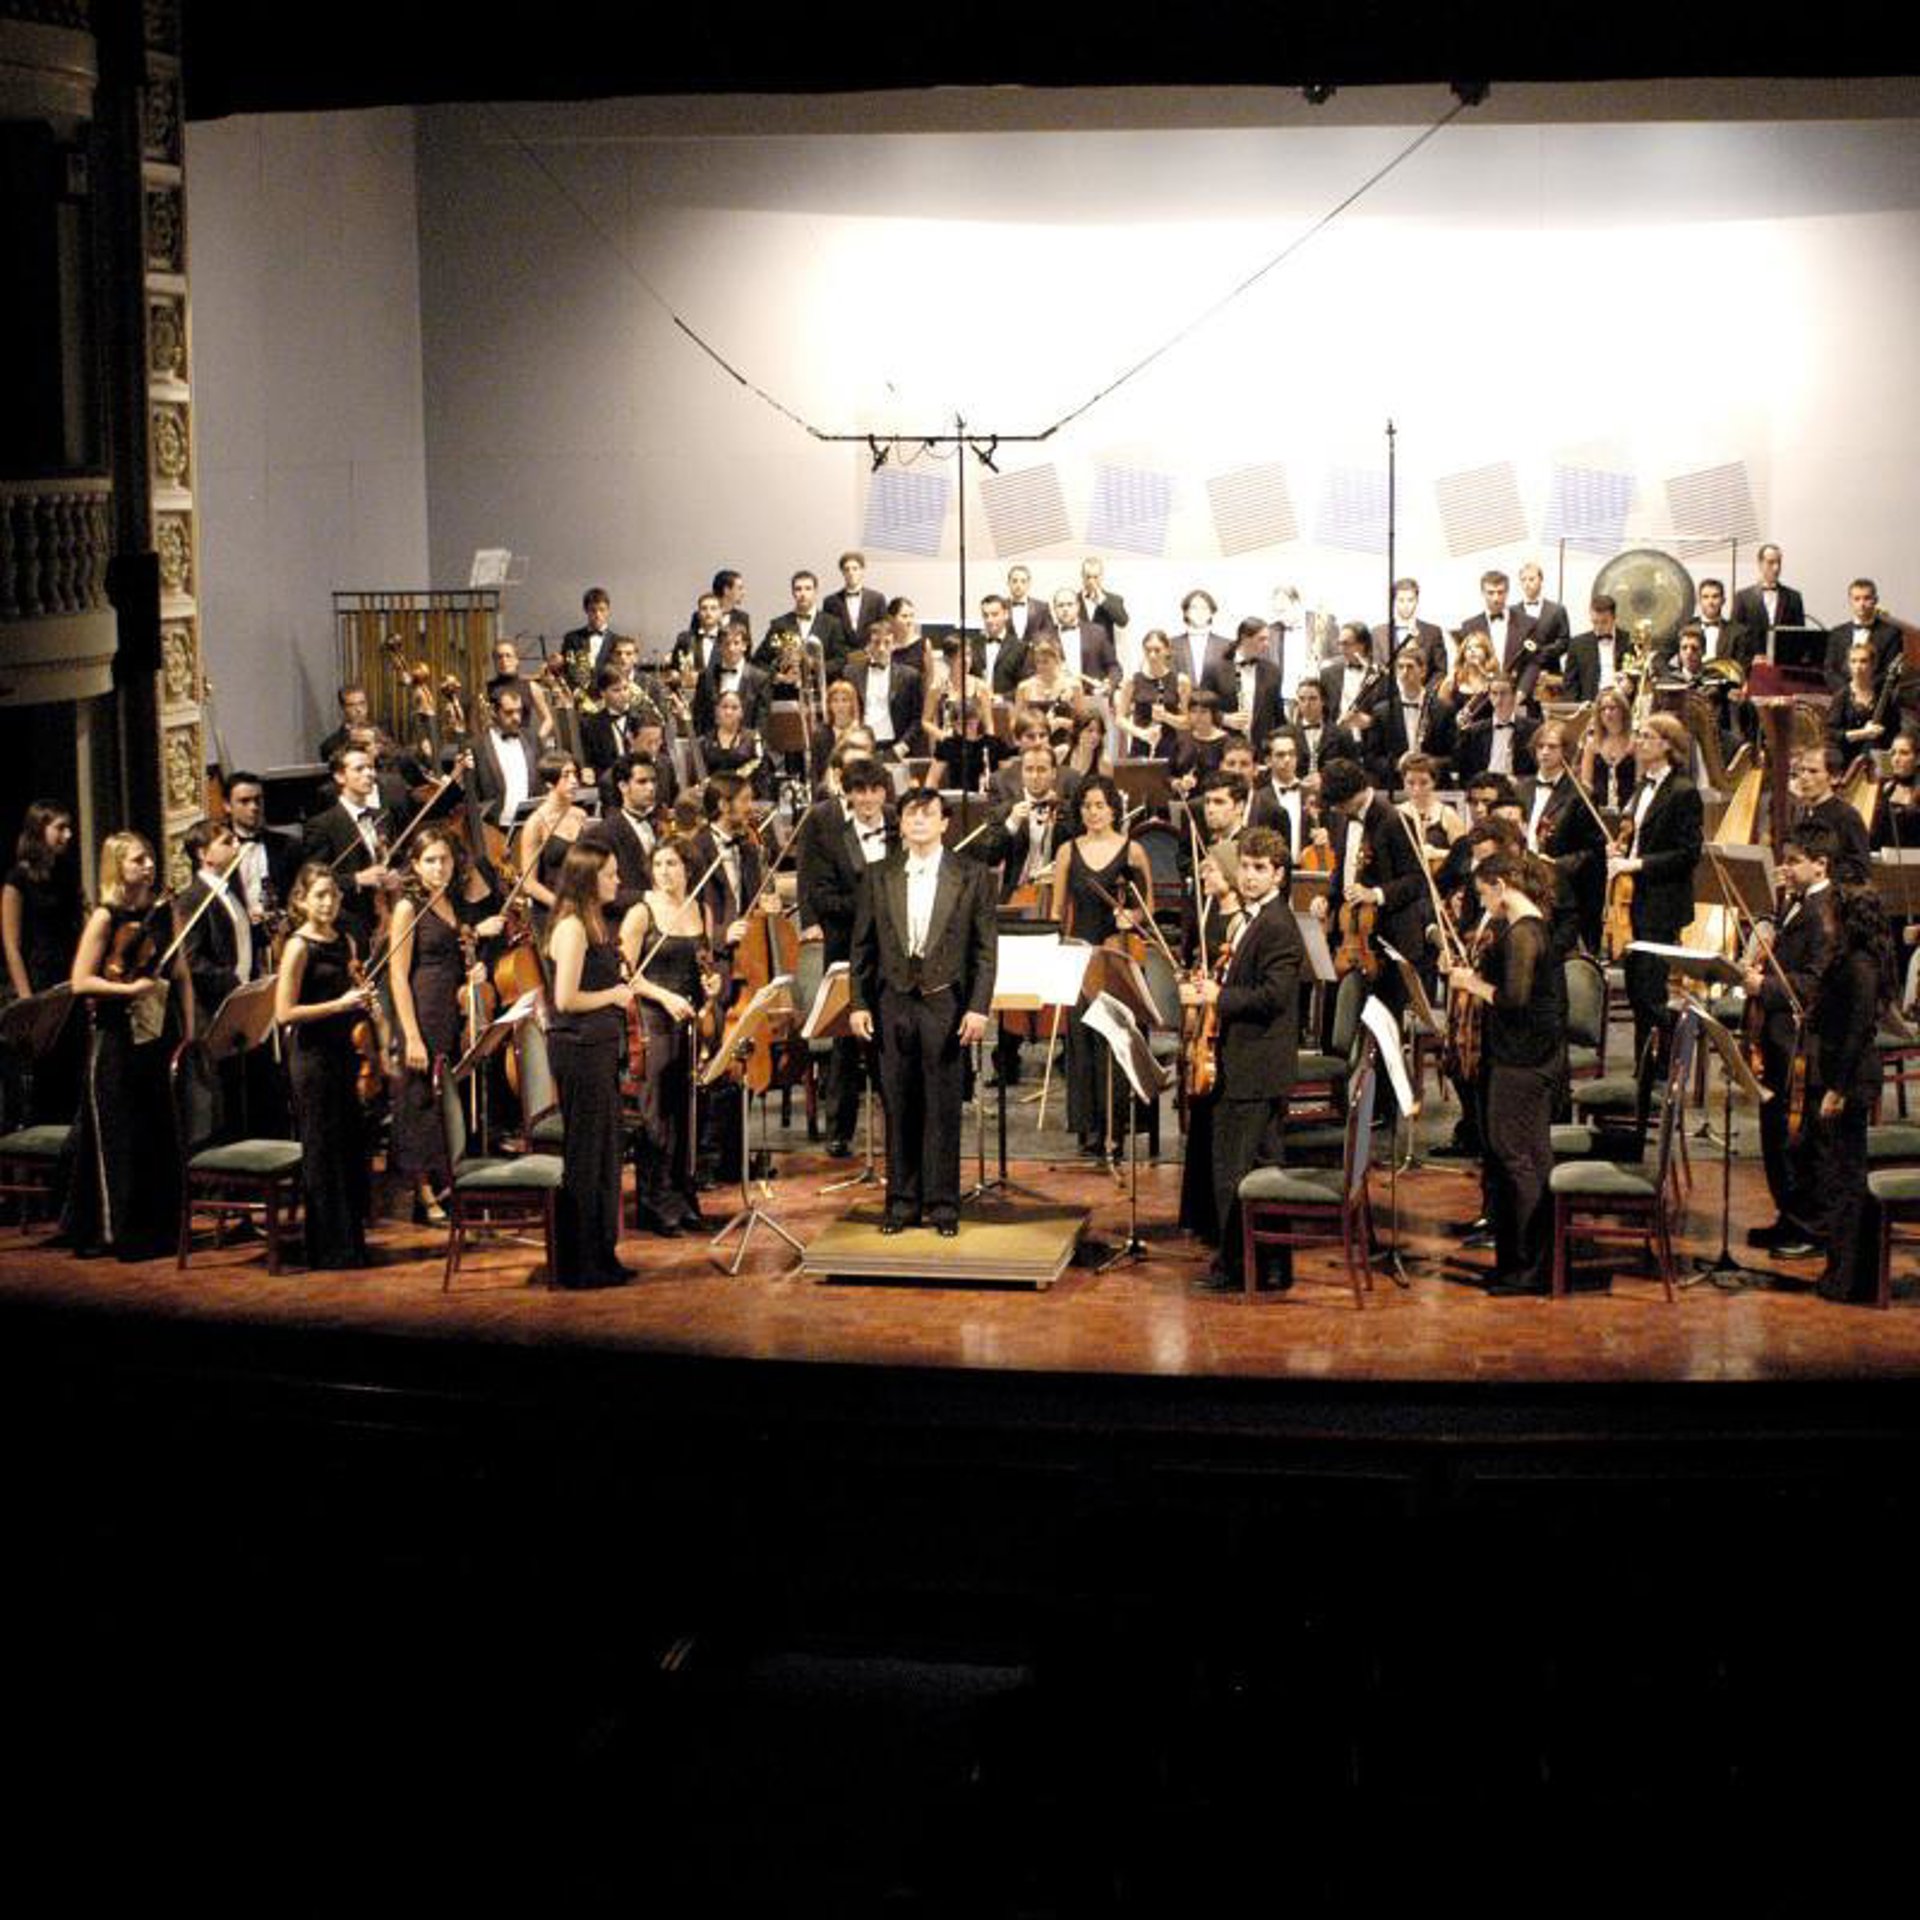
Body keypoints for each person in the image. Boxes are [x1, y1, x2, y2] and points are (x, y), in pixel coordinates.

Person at [848, 788, 997, 1237]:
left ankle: (943, 1204)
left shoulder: (970, 874)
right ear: (901, 822)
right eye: (911, 813)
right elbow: (862, 946)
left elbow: (985, 950)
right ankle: (901, 1203)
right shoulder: (880, 874)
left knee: (943, 1105)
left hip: (944, 1002)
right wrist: (858, 1003)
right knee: (898, 1103)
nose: (918, 821)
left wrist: (978, 1008)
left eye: (927, 814)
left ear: (944, 823)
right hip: (892, 1001)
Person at [1179, 826, 1302, 1293]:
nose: (1249, 876)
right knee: (1264, 1171)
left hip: (1253, 1067)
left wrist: (1219, 996)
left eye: (1259, 868)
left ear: (1278, 874)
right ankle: (1271, 1268)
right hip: (1250, 1062)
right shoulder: (1254, 918)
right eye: (1246, 867)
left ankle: (1235, 1267)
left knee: (1235, 1172)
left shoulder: (1277, 924)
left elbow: (1274, 996)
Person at [1446, 848, 1567, 1295]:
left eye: (1483, 895)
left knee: (1517, 1158)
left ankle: (1529, 1269)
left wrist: (1470, 984)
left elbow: (1514, 1000)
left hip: (1523, 1060)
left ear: (1501, 886)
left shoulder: (1523, 933)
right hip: (1528, 1058)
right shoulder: (1528, 928)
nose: (1483, 904)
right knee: (1522, 1158)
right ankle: (1521, 1262)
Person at [62, 831, 181, 1260]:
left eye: (149, 858)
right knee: (122, 1134)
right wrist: (128, 990)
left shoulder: (164, 911)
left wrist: (190, 1032)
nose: (148, 865)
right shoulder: (105, 916)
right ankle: (119, 1231)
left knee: (156, 1131)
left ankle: (160, 1228)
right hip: (115, 1037)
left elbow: (180, 973)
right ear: (118, 867)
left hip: (156, 1032)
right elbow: (80, 981)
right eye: (137, 860)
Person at [387, 828, 504, 1227]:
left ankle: (445, 1184)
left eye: (445, 859)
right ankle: (423, 1196)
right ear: (416, 866)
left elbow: (456, 956)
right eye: (430, 861)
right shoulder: (409, 907)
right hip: (422, 1012)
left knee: (443, 1102)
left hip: (450, 1011)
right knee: (419, 1102)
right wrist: (411, 1035)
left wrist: (475, 972)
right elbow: (397, 975)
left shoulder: (451, 901)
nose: (439, 867)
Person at [1741, 822, 1840, 1262]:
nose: (1786, 868)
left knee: (1799, 1138)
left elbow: (1815, 983)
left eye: (1794, 861)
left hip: (1803, 1043)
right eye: (1784, 860)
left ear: (1821, 864)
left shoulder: (1825, 913)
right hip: (1778, 1038)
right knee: (1776, 1132)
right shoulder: (1798, 904)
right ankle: (1788, 1215)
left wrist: (1763, 986)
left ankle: (1811, 1227)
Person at [273, 861, 375, 1270]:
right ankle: (327, 1248)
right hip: (312, 1058)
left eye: (333, 894)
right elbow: (284, 1013)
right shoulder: (298, 946)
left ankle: (350, 1244)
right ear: (301, 900)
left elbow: (351, 994)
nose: (329, 902)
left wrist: (364, 999)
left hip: (344, 1053)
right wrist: (339, 1004)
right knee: (322, 1150)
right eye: (320, 895)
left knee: (348, 1147)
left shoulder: (345, 940)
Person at [545, 841, 636, 1287]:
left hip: (599, 1048)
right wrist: (614, 995)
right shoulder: (571, 928)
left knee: (604, 1157)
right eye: (609, 874)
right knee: (585, 1157)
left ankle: (603, 1254)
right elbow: (565, 999)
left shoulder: (594, 922)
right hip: (578, 1050)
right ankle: (579, 1263)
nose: (617, 880)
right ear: (587, 878)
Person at [619, 836, 720, 1237]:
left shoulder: (700, 909)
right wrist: (665, 997)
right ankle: (654, 1202)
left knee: (687, 1111)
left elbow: (705, 966)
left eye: (672, 864)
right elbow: (626, 974)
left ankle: (683, 1196)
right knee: (656, 1114)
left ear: (688, 869)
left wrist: (711, 985)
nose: (664, 872)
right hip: (653, 1020)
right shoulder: (641, 914)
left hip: (690, 1020)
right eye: (659, 864)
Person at [1054, 775, 1157, 1160]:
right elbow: (1058, 909)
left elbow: (1147, 907)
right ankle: (1090, 1130)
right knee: (1083, 1042)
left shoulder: (1133, 852)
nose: (1093, 812)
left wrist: (1131, 917)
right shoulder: (1068, 851)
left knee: (1117, 1042)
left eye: (1099, 805)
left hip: (1118, 956)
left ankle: (1118, 1128)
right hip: (1082, 955)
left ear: (1114, 809)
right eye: (1086, 806)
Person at [796, 758, 895, 1154]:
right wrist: (870, 906)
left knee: (891, 1038)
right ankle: (839, 1131)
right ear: (848, 794)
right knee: (845, 1040)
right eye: (859, 791)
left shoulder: (898, 825)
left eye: (874, 790)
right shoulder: (831, 832)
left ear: (884, 792)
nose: (867, 799)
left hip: (895, 953)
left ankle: (897, 1125)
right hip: (846, 948)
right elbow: (821, 895)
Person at [1608, 712, 1704, 1092]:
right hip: (1634, 902)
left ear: (1667, 744)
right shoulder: (1639, 788)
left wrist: (1638, 863)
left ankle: (1662, 1072)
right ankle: (1642, 1073)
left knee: (1650, 993)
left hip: (1661, 905)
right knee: (1637, 992)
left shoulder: (1683, 791)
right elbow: (1635, 836)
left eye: (1647, 736)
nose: (1639, 741)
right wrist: (1619, 849)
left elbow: (1688, 853)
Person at [1810, 885, 1894, 1304]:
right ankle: (1842, 1272)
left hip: (1853, 1080)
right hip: (1846, 1076)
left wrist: (1837, 1089)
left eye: (1830, 913)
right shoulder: (1851, 960)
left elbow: (1857, 1032)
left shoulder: (1861, 966)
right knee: (1840, 1177)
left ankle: (1848, 1279)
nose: (1824, 919)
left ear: (1846, 918)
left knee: (1847, 1181)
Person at [515, 751, 589, 930]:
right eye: (566, 775)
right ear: (549, 782)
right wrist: (562, 905)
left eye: (575, 774)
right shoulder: (536, 823)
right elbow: (529, 883)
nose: (574, 781)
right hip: (552, 911)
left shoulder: (580, 815)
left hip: (583, 905)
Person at [1120, 629, 1190, 760]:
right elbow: (1120, 719)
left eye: (1157, 650)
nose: (1152, 655)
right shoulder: (1132, 680)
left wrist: (1166, 717)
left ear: (1167, 651)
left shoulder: (1181, 681)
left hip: (1170, 749)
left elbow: (1188, 722)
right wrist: (1142, 733)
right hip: (1140, 747)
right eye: (1148, 650)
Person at [1730, 543, 1807, 652]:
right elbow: (1735, 636)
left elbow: (1800, 637)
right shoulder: (1742, 597)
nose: (1776, 568)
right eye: (1771, 562)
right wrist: (1750, 658)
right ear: (1760, 564)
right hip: (1753, 660)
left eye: (1778, 562)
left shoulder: (1794, 597)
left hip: (1784, 659)